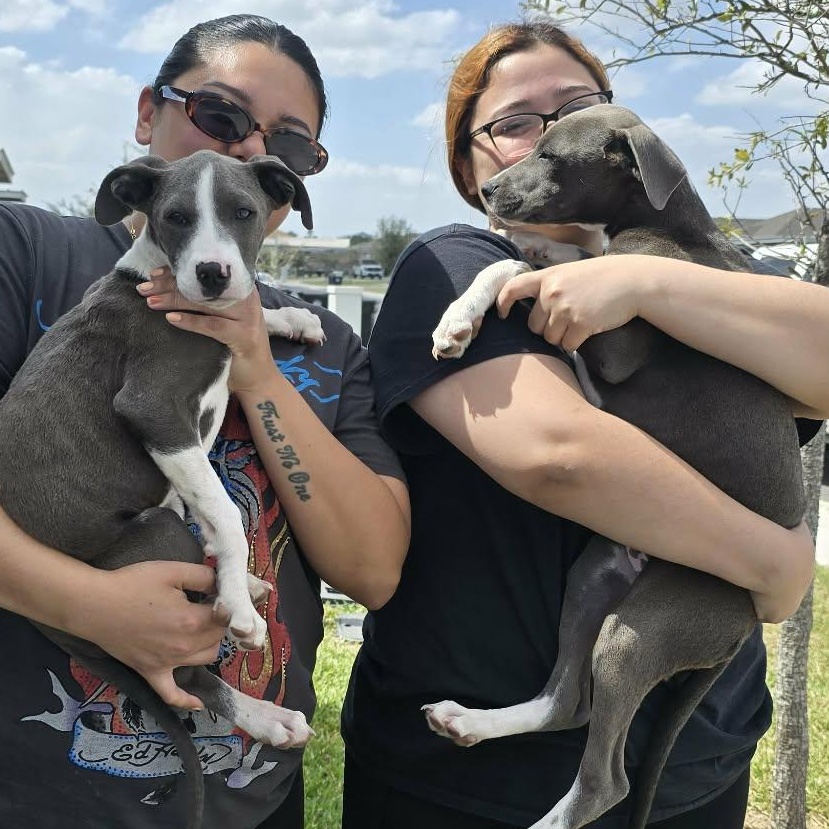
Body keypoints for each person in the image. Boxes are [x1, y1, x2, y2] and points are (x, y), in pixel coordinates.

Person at [341, 19, 828, 829]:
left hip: (702, 758)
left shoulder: (713, 269)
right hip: (469, 784)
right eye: (512, 125)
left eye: (575, 109)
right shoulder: (450, 266)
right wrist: (774, 560)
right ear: (469, 164)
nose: (548, 136)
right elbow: (557, 453)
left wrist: (642, 282)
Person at [0, 13, 409, 829]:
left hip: (252, 800)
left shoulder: (325, 341)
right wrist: (88, 603)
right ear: (149, 115)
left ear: (286, 193)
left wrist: (252, 358)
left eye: (286, 148)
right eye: (219, 117)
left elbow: (374, 572)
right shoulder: (25, 250)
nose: (245, 152)